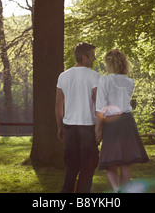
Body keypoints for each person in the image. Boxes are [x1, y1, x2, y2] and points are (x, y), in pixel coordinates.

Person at [95, 48, 149, 193]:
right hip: (127, 122)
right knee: (126, 163)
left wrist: (97, 128)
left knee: (110, 164)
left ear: (110, 63)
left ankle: (116, 189)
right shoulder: (130, 82)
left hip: (112, 123)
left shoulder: (104, 80)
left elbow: (101, 107)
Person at [55, 42, 100, 193]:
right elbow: (98, 104)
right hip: (87, 128)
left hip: (70, 128)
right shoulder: (94, 76)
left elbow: (58, 105)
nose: (94, 59)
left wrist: (60, 127)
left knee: (71, 168)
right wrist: (99, 129)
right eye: (92, 55)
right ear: (84, 56)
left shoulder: (63, 76)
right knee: (87, 168)